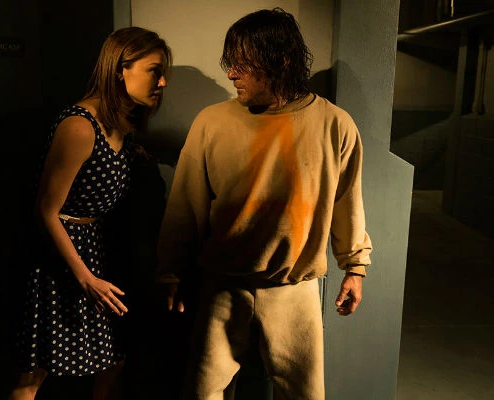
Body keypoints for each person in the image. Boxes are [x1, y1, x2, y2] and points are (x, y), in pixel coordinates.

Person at [155, 7, 373, 400]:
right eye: (230, 63)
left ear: (280, 61)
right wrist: (170, 272)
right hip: (223, 285)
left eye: (242, 64)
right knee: (202, 392)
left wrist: (355, 267)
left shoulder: (334, 124)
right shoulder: (212, 122)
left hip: (295, 288)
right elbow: (185, 205)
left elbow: (348, 202)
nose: (231, 74)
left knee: (305, 395)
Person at [7, 26, 172, 400]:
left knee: (113, 360)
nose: (162, 82)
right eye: (154, 70)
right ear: (120, 69)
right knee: (34, 372)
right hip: (60, 255)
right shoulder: (80, 126)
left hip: (95, 250)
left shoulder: (121, 124)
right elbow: (46, 210)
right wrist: (84, 277)